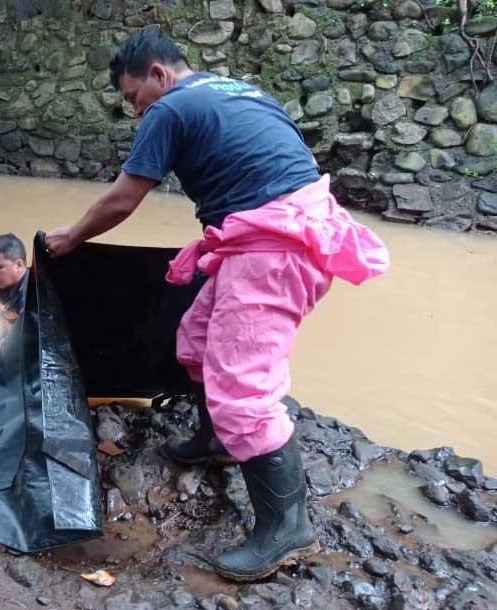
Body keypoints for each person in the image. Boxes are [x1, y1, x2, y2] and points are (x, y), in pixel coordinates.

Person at [44, 28, 389, 581]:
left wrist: (72, 238)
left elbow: (123, 198)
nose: (137, 113)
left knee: (243, 387)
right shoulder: (239, 90)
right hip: (284, 233)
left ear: (158, 74)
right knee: (198, 341)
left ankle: (285, 529)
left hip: (273, 248)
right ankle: (219, 441)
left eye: (134, 97)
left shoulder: (172, 107)